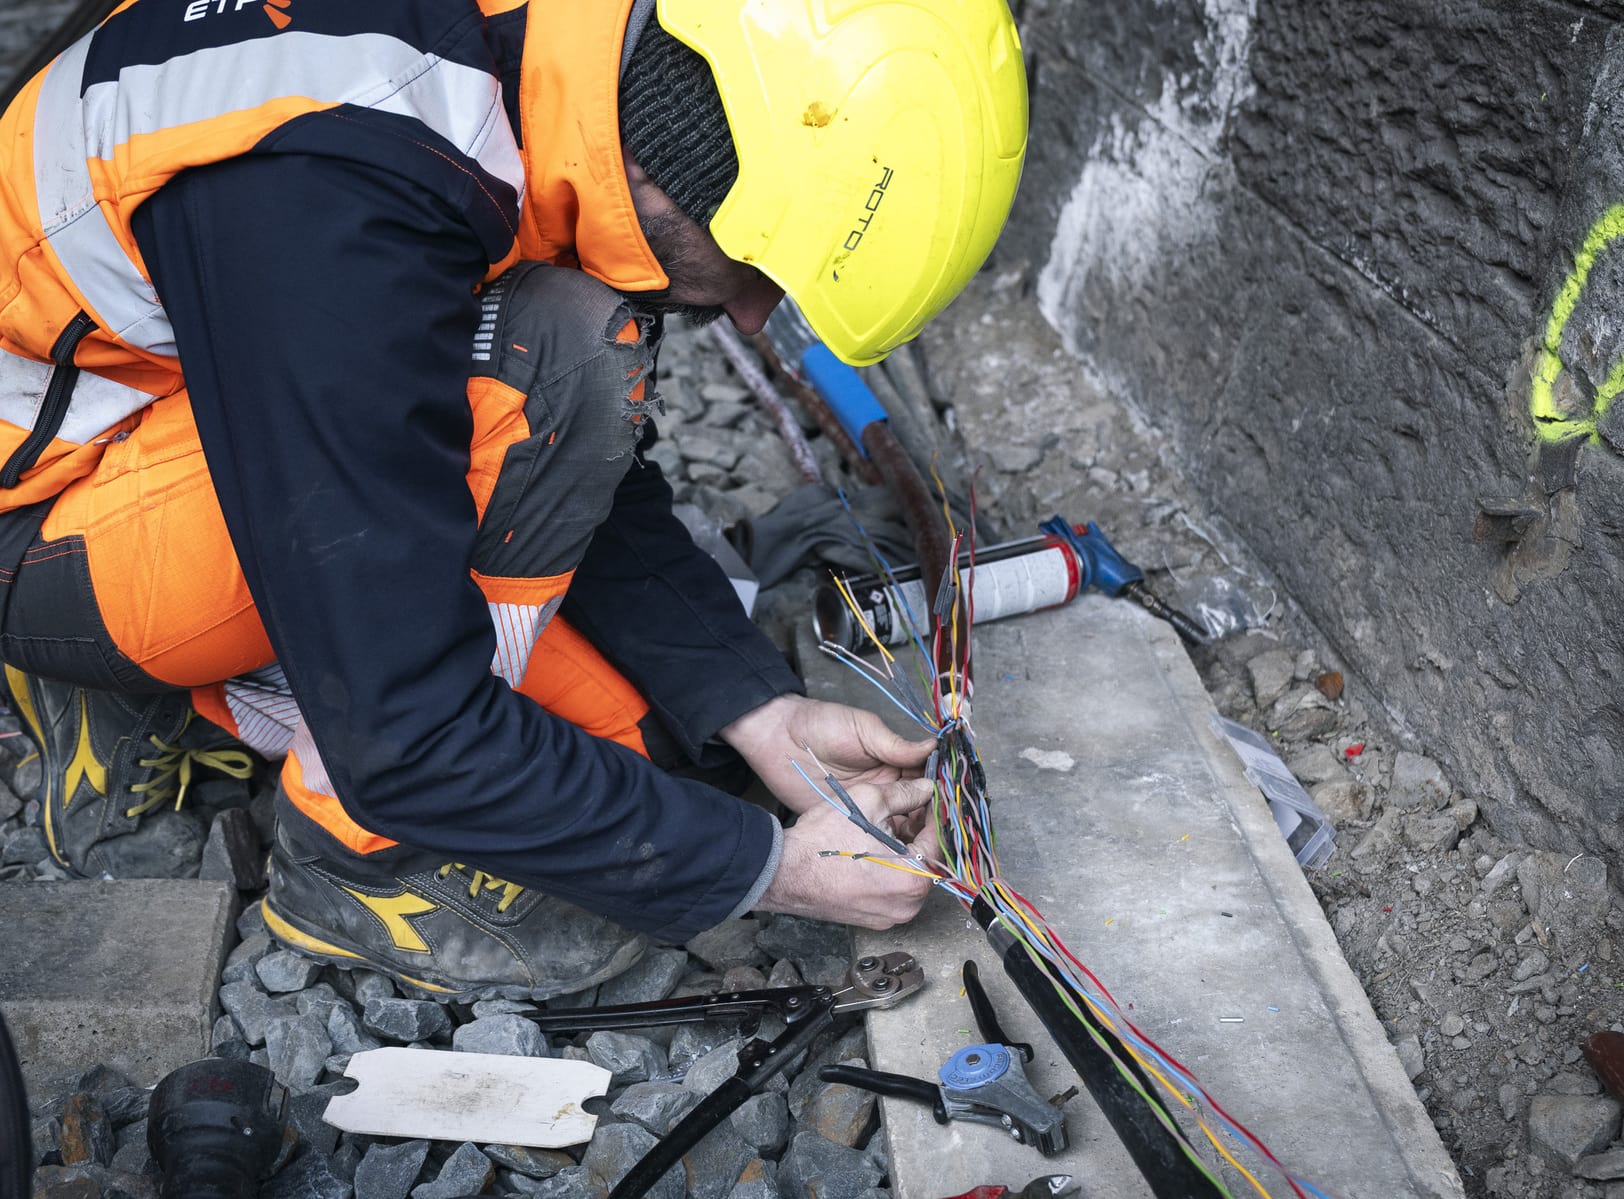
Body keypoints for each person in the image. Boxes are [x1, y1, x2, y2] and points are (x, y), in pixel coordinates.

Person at [0, 0, 1026, 999]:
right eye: (759, 266)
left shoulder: (541, 63)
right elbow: (407, 730)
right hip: (43, 515)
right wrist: (774, 868)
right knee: (564, 346)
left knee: (655, 752)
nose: (755, 315)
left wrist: (754, 706)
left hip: (180, 381)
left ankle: (194, 681)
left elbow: (559, 459)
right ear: (689, 151)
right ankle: (354, 856)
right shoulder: (332, 197)